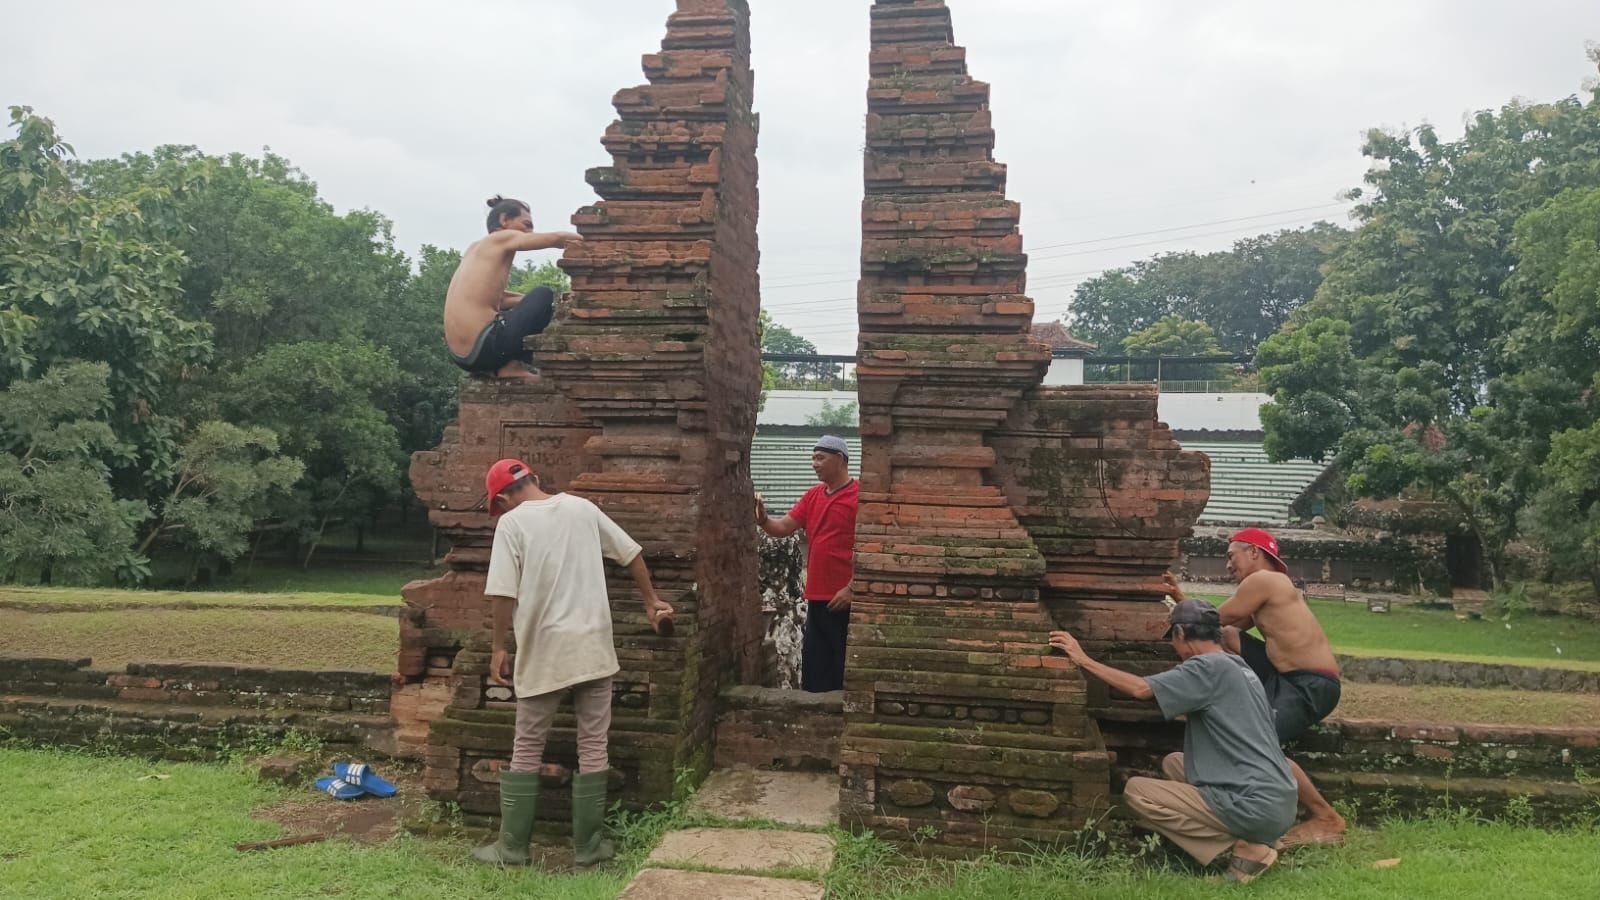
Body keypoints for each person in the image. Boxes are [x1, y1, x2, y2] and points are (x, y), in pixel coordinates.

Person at [471, 459, 674, 868]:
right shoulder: (582, 509)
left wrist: (498, 647)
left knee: (527, 746)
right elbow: (631, 554)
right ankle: (589, 849)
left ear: (501, 498)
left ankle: (512, 848)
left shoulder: (511, 525)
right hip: (593, 646)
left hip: (544, 649)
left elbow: (502, 594)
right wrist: (652, 601)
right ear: (536, 479)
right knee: (593, 744)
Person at [1049, 600, 1296, 884]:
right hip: (1278, 800)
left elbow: (1141, 689)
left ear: (1180, 635)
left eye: (1173, 641)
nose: (1174, 650)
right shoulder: (1236, 665)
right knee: (1175, 762)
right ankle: (1262, 835)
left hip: (1254, 804)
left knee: (1137, 791)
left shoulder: (1205, 667)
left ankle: (1247, 847)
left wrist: (1083, 659)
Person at [1164, 527, 1347, 847]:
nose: (1227, 565)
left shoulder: (1264, 580)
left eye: (1231, 555)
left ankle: (1325, 817)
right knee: (1229, 636)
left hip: (1310, 683)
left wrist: (1178, 613)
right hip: (1286, 677)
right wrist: (1182, 601)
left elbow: (1214, 619)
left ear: (1253, 552)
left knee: (1260, 745)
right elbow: (1222, 630)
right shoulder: (1269, 587)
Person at [756, 435, 857, 692]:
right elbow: (782, 528)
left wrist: (853, 587)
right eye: (813, 457)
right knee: (815, 666)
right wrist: (764, 518)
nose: (814, 464)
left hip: (844, 598)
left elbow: (874, 545)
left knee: (844, 667)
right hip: (815, 596)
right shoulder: (812, 495)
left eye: (820, 458)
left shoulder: (860, 496)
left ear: (841, 460)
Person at [443, 196, 583, 380]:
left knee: (542, 301)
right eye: (526, 224)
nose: (530, 232)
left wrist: (557, 302)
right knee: (543, 294)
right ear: (504, 220)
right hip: (486, 345)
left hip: (464, 358)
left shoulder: (474, 249)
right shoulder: (500, 238)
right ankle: (512, 367)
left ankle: (502, 367)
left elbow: (500, 300)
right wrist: (596, 242)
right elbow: (557, 238)